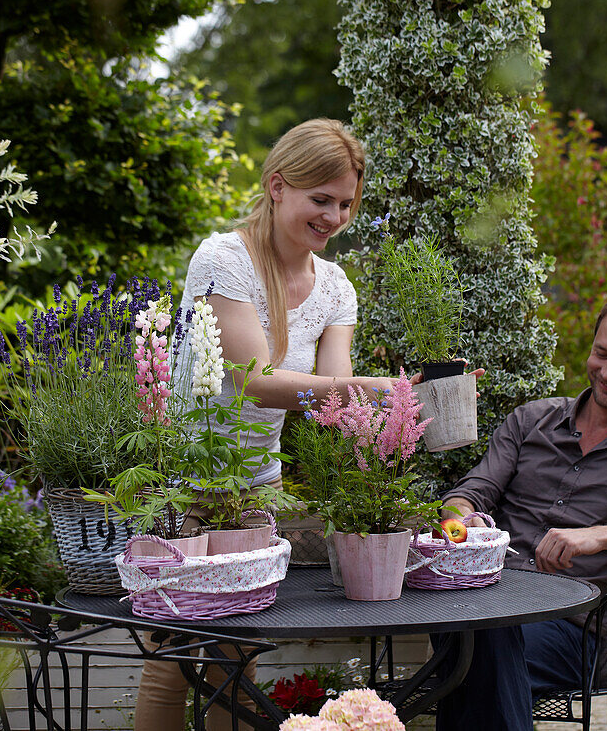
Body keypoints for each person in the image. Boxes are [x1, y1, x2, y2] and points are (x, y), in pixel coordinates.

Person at [134, 118, 411, 731]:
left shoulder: (336, 286)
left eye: (345, 203)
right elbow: (255, 379)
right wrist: (362, 389)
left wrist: (401, 411)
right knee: (169, 653)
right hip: (184, 477)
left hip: (255, 481)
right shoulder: (225, 259)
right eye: (321, 200)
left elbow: (331, 393)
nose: (334, 216)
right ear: (278, 185)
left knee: (237, 655)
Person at [433, 289, 607, 731]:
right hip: (485, 608)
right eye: (601, 354)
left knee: (472, 648)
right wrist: (459, 523)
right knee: (474, 633)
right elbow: (469, 493)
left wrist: (597, 535)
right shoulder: (531, 422)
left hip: (570, 632)